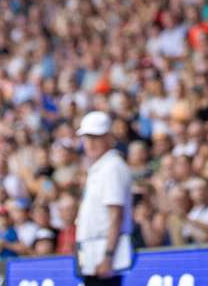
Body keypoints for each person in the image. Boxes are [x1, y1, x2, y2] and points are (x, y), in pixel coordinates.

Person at [75, 111, 133, 285]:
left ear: (108, 137)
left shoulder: (112, 167)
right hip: (93, 253)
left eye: (96, 137)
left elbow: (116, 214)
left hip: (105, 254)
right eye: (87, 138)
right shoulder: (101, 166)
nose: (90, 143)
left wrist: (108, 256)